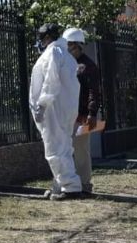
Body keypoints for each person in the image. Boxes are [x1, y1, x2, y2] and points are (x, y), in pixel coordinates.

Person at [29, 23, 83, 201]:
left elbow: (50, 81)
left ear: (46, 38)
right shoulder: (66, 55)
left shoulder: (52, 53)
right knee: (64, 147)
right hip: (65, 108)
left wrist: (42, 104)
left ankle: (71, 187)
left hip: (54, 108)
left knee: (55, 150)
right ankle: (59, 185)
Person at [63, 27, 102, 194]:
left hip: (82, 116)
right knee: (67, 150)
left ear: (78, 46)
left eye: (71, 45)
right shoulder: (68, 64)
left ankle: (85, 184)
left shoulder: (88, 66)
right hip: (68, 114)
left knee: (81, 151)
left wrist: (92, 113)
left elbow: (94, 91)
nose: (68, 48)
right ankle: (71, 183)